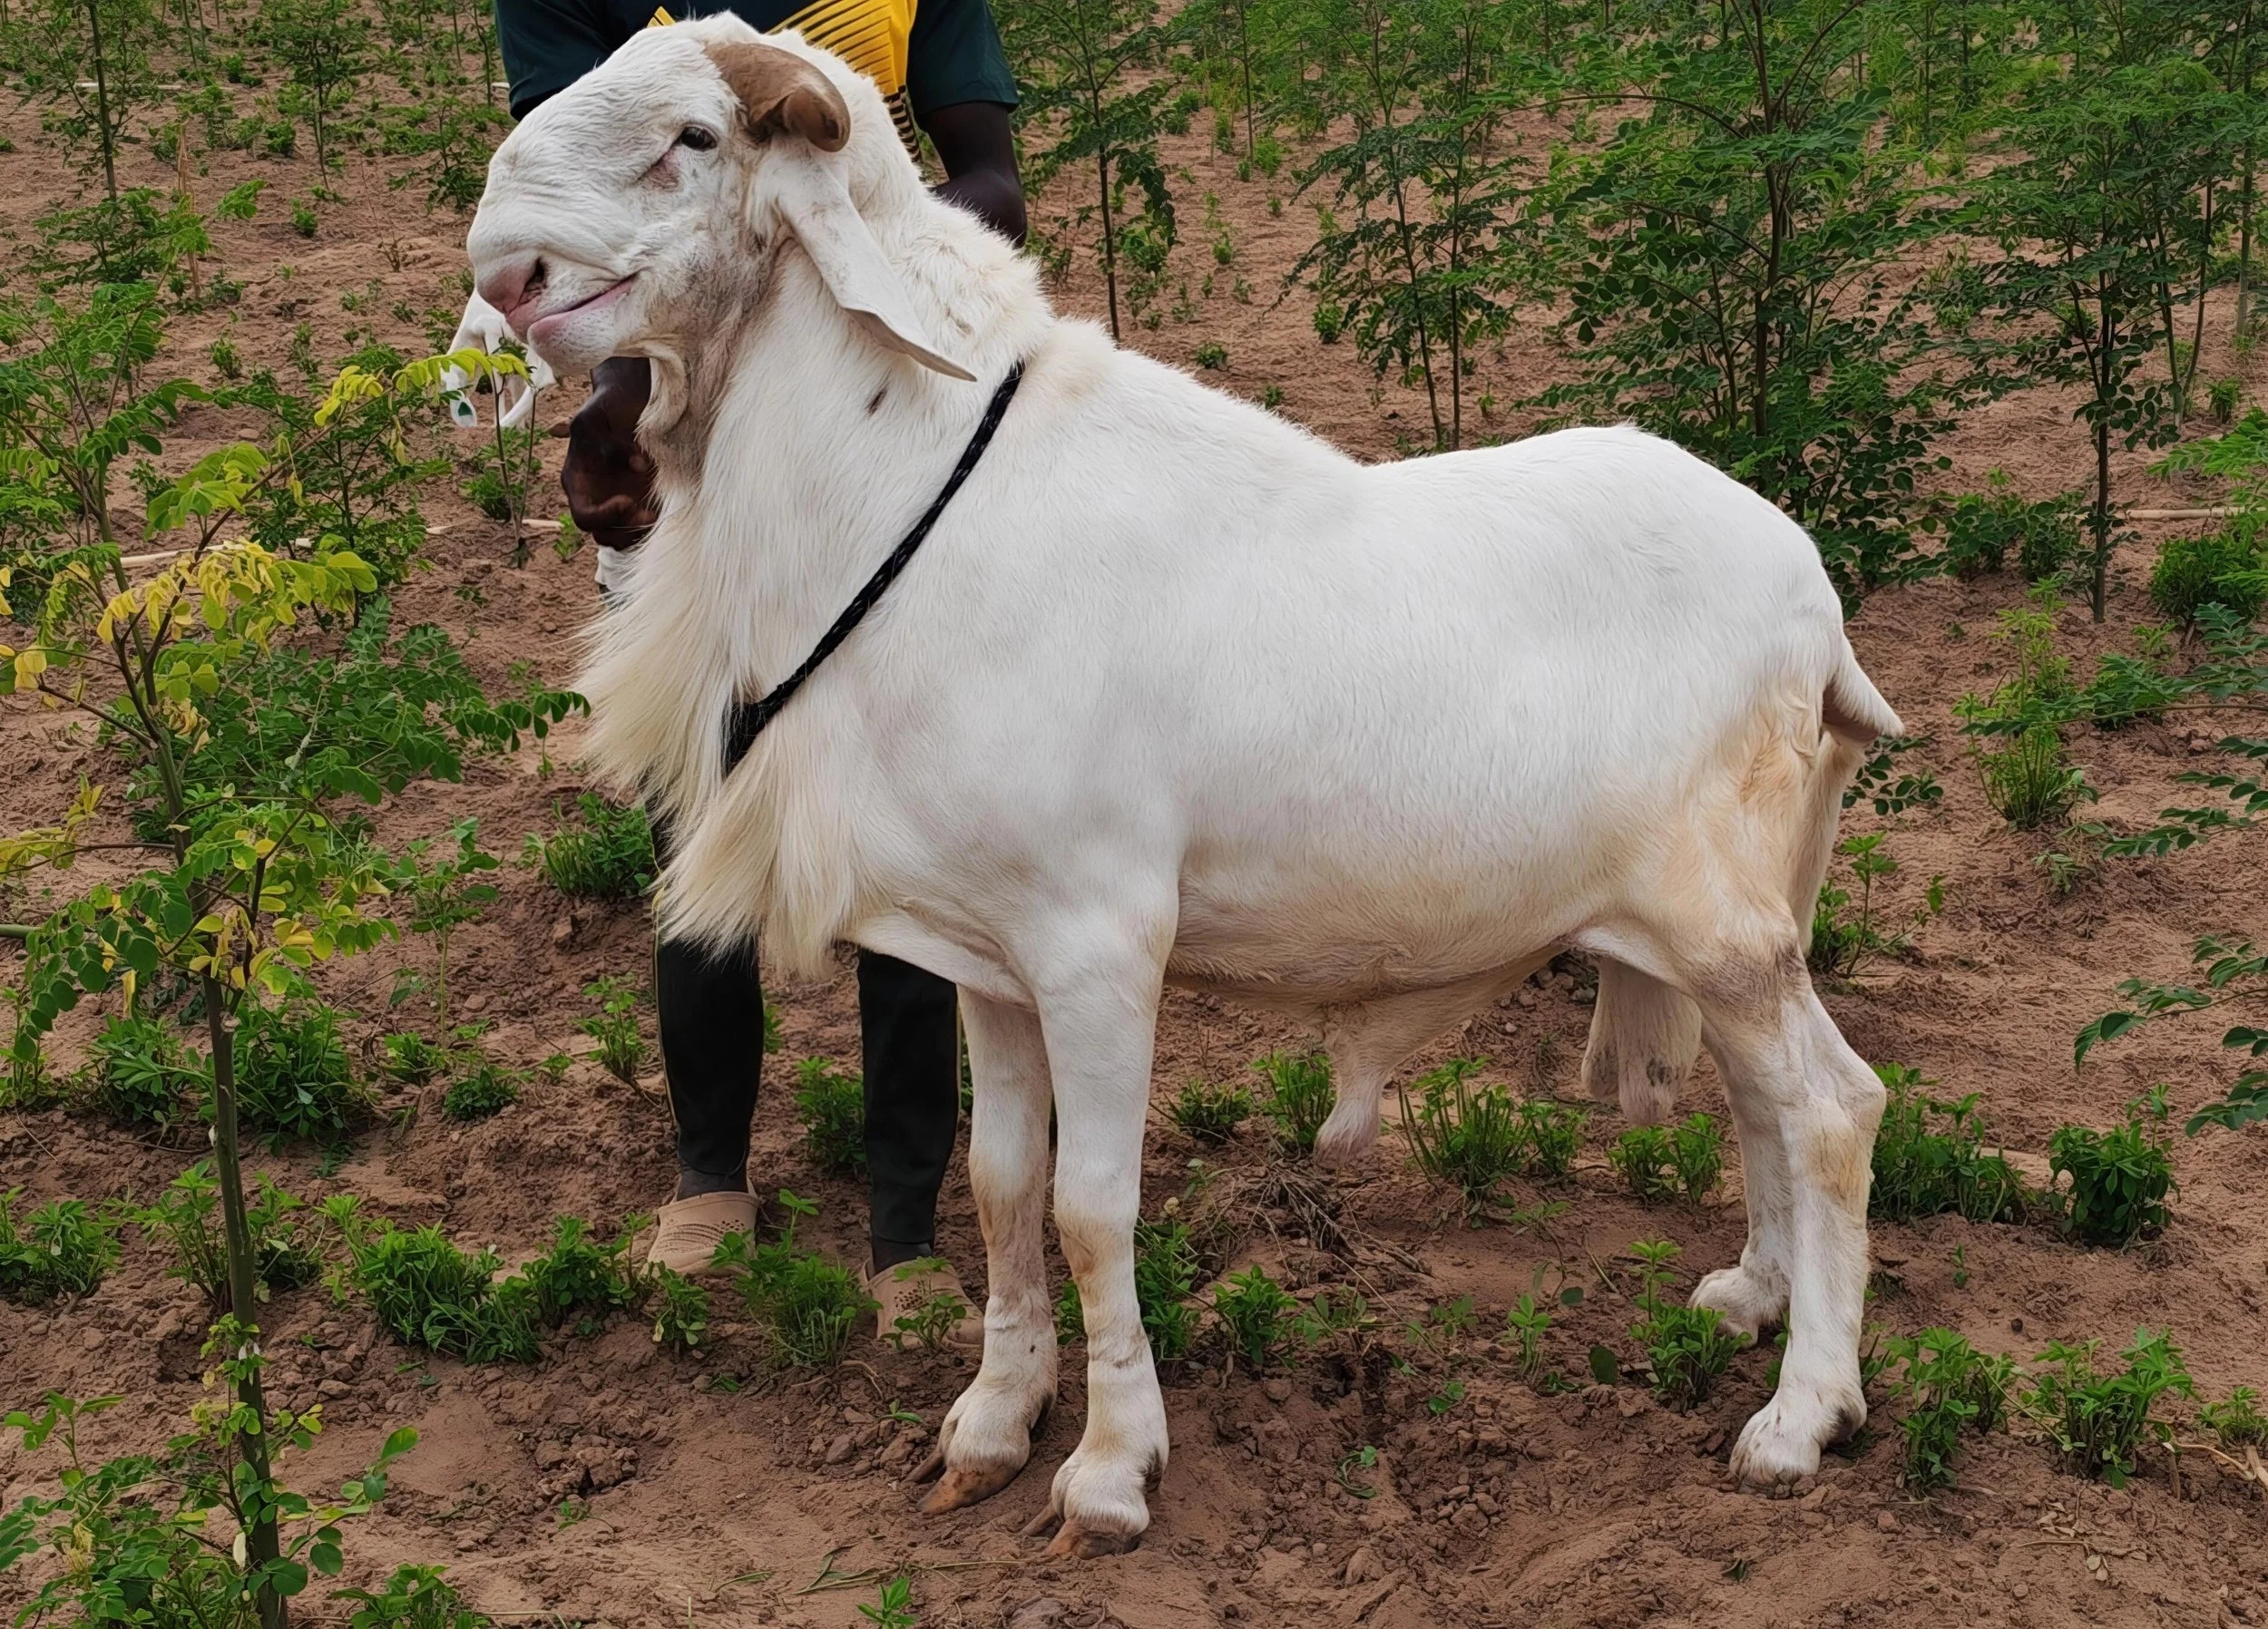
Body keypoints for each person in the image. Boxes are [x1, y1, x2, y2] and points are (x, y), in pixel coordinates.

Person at [481, 0, 1027, 1346]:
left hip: (875, 435)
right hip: (695, 440)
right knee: (699, 805)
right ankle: (710, 1179)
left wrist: (832, 257)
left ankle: (906, 1223)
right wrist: (616, 410)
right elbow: (585, 233)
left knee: (904, 826)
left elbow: (992, 181)